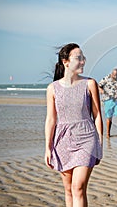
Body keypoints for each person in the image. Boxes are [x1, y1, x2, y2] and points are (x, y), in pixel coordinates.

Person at [44, 43, 103, 207]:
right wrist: (48, 147)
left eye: (83, 58)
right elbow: (51, 120)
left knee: (78, 187)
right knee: (69, 189)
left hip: (86, 138)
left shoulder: (90, 84)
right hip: (62, 140)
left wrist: (99, 142)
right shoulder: (52, 88)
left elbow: (97, 115)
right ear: (66, 61)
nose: (83, 61)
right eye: (78, 58)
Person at [98, 68, 117, 139]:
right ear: (111, 74)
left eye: (116, 75)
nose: (115, 76)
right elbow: (99, 85)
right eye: (114, 75)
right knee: (109, 117)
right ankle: (108, 133)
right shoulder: (106, 78)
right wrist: (101, 89)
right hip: (108, 100)